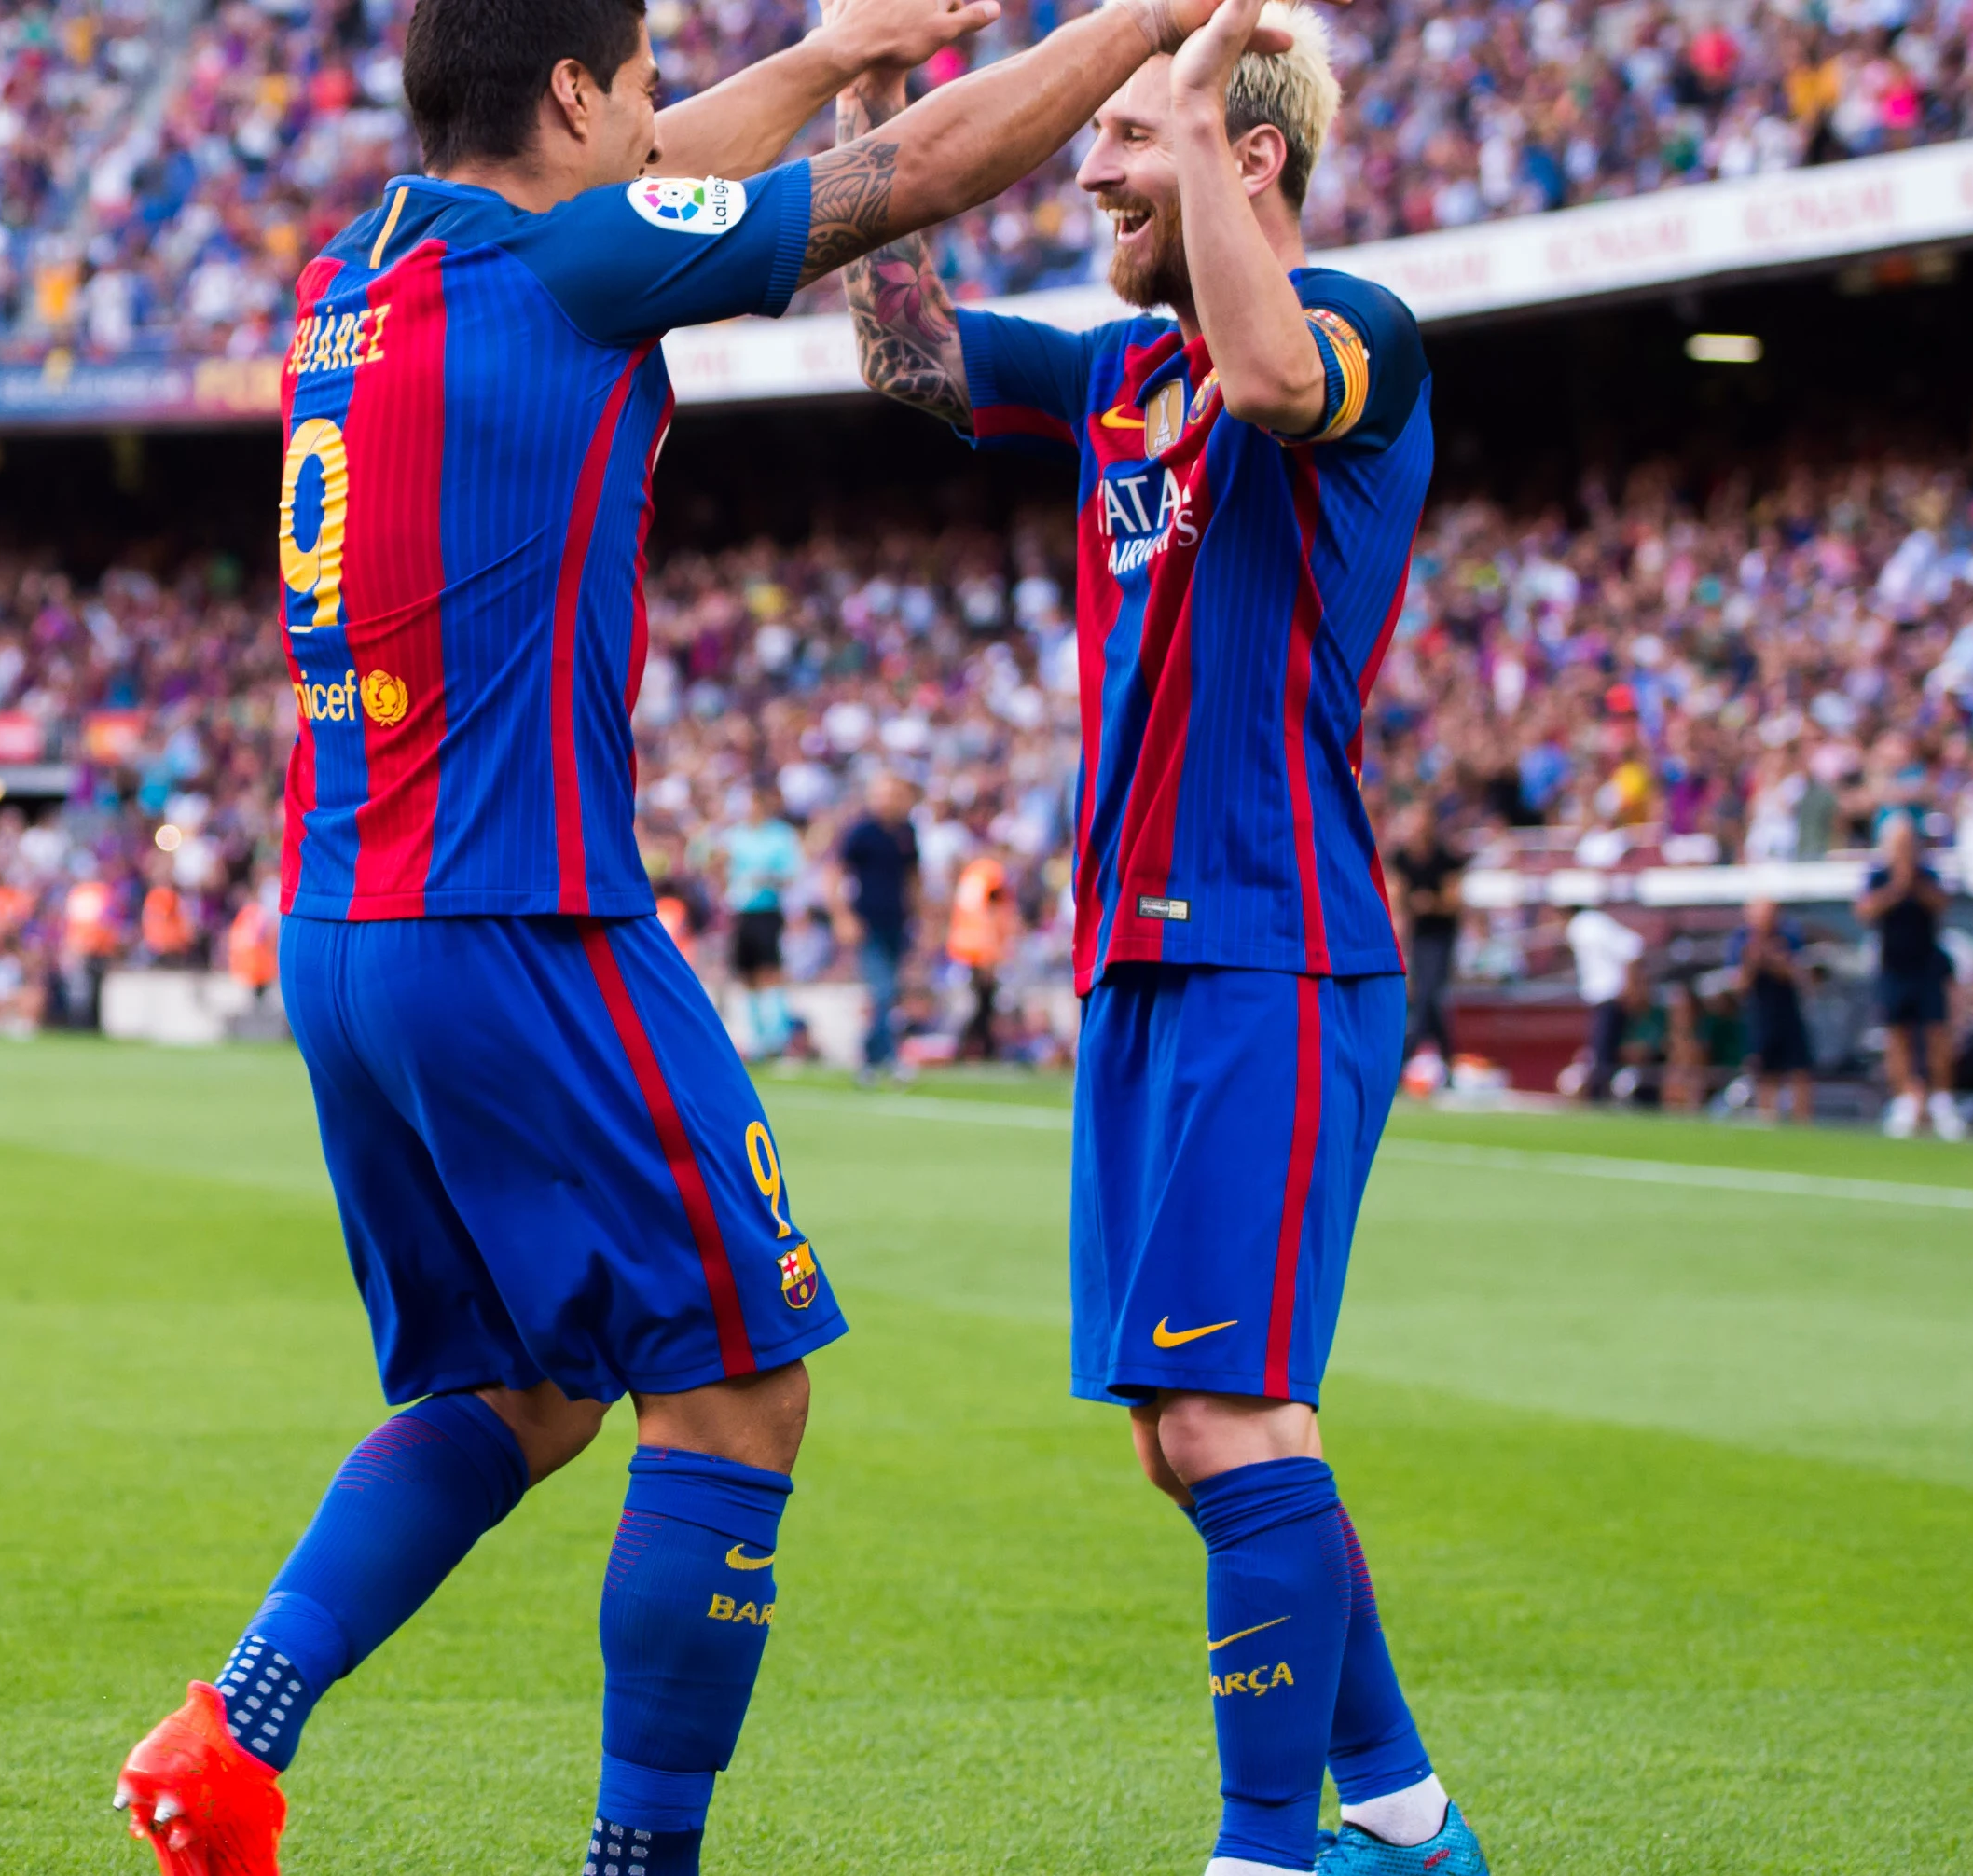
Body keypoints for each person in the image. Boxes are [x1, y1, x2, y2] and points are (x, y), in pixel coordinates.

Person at [114, 0, 1282, 1868]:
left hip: (345, 919)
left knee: (526, 1386)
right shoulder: (579, 262)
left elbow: (669, 178)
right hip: (525, 913)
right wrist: (1143, 17)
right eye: (642, 80)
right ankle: (638, 1862)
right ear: (572, 90)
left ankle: (231, 1730)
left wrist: (831, 48)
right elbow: (917, 174)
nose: (662, 117)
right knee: (738, 1386)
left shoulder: (365, 265)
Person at [844, 8, 1485, 1871]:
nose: (1095, 167)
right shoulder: (1121, 374)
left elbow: (1279, 384)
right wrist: (885, 104)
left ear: (1245, 152)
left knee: (1230, 1415)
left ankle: (1265, 1854)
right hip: (1146, 965)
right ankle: (1406, 1814)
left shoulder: (1357, 329)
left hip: (1277, 951)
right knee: (1181, 1430)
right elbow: (912, 360)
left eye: (1128, 136)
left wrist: (1192, 104)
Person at [1856, 815, 1961, 1139]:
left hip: (1926, 966)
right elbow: (1864, 911)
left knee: (1935, 1034)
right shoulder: (1878, 876)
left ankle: (1941, 1101)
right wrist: (1895, 890)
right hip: (1893, 966)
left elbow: (1942, 903)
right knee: (1896, 1035)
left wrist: (1913, 883)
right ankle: (1904, 1100)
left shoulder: (1927, 874)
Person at [837, 772, 920, 1084]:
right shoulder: (862, 832)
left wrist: (920, 917)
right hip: (868, 922)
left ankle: (873, 1059)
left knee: (890, 993)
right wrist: (843, 915)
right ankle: (884, 1058)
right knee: (882, 990)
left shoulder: (905, 833)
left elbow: (914, 878)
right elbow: (836, 872)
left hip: (897, 921)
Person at [718, 787, 803, 1059]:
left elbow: (790, 875)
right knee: (747, 974)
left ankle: (776, 1039)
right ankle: (755, 1040)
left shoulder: (780, 836)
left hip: (766, 909)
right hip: (741, 910)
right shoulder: (735, 836)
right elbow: (719, 869)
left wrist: (766, 878)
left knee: (769, 971)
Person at [1386, 802, 1462, 1076]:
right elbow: (1395, 897)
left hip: (1439, 935)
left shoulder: (1444, 857)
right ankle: (1447, 1059)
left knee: (1429, 995)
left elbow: (1453, 901)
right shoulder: (1402, 859)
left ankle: (1405, 1058)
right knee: (1427, 998)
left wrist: (1431, 904)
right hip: (1414, 935)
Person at [1731, 899, 1814, 1124]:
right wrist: (1754, 958)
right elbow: (1739, 985)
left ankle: (1802, 1122)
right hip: (1761, 1014)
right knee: (1766, 1073)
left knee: (1799, 1072)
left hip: (1788, 1013)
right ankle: (1767, 1119)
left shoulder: (1789, 937)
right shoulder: (1742, 940)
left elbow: (1800, 978)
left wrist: (1777, 960)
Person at [1566, 904, 1646, 1105]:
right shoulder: (1589, 923)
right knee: (1605, 1050)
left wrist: (1631, 984)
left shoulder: (1585, 925)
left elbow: (1631, 945)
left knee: (1605, 1051)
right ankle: (1602, 1094)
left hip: (1610, 995)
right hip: (1608, 995)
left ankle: (1599, 1097)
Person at [947, 846, 1011, 1061]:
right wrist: (992, 953)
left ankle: (978, 1047)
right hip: (981, 948)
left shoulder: (972, 875)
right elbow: (990, 915)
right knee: (983, 1002)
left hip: (964, 946)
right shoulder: (992, 873)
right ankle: (973, 1047)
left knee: (980, 1001)